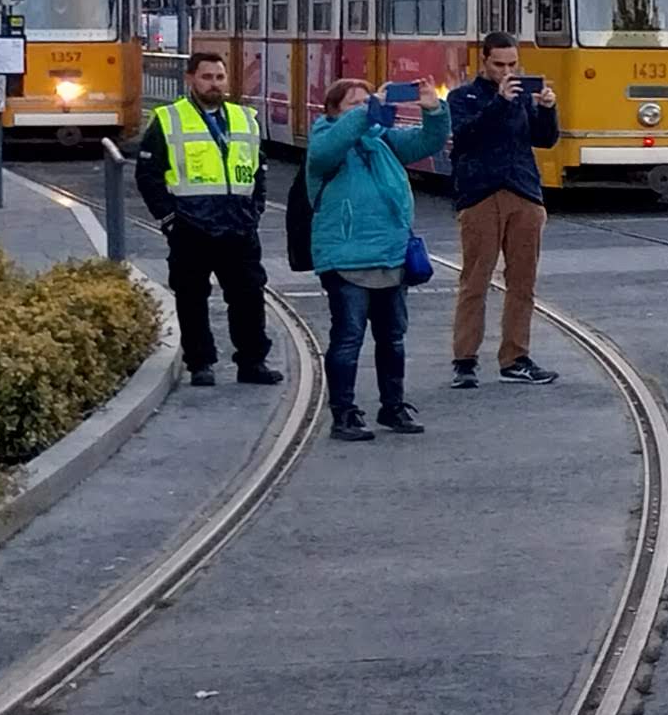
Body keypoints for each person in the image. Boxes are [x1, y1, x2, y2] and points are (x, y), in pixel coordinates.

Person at [305, 74, 446, 441]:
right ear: (334, 111)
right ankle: (344, 413)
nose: (364, 109)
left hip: (390, 255)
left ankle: (393, 405)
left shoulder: (383, 141)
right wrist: (367, 113)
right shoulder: (323, 139)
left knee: (392, 337)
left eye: (368, 101)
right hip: (345, 257)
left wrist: (433, 110)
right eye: (353, 103)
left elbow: (428, 142)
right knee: (348, 337)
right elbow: (328, 150)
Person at [134, 45, 279, 388]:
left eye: (219, 77)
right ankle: (201, 363)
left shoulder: (245, 118)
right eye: (206, 77)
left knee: (248, 295)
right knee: (192, 297)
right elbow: (148, 174)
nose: (214, 84)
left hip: (238, 225)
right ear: (191, 79)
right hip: (190, 226)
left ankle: (252, 362)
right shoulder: (168, 119)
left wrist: (255, 207)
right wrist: (168, 218)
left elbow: (259, 168)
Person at [442, 34, 562, 388]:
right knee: (475, 280)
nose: (507, 71)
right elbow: (465, 138)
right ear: (484, 62)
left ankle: (515, 357)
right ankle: (464, 360)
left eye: (513, 65)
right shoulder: (463, 97)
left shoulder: (522, 96)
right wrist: (499, 102)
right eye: (499, 65)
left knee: (523, 282)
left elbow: (543, 140)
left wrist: (547, 109)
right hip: (480, 194)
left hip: (523, 191)